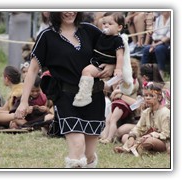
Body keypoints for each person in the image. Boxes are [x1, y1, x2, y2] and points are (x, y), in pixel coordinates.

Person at [15, 12, 115, 168]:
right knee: (77, 146)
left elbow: (114, 47)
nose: (70, 11)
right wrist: (23, 102)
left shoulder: (89, 30)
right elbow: (33, 70)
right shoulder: (46, 36)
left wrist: (112, 65)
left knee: (89, 156)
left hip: (94, 96)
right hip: (66, 98)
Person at [73, 12, 133, 107]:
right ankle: (89, 93)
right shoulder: (101, 36)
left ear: (119, 27)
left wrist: (118, 68)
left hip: (103, 63)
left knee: (86, 71)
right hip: (97, 61)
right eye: (104, 23)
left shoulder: (117, 40)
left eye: (110, 24)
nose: (106, 26)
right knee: (104, 83)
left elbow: (120, 55)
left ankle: (84, 95)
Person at [114, 82, 170, 156]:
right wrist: (132, 136)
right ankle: (136, 148)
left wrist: (151, 135)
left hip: (161, 141)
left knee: (150, 141)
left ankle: (132, 148)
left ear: (159, 98)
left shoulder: (165, 112)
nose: (147, 98)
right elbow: (138, 127)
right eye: (146, 95)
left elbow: (166, 134)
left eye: (151, 95)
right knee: (125, 137)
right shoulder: (146, 112)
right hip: (144, 138)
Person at [99, 58, 142, 144]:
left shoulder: (133, 82)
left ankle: (109, 138)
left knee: (113, 120)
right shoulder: (120, 78)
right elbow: (107, 84)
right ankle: (104, 136)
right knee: (108, 120)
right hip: (117, 102)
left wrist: (117, 92)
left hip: (123, 105)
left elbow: (129, 92)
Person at [141, 11, 170, 79]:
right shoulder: (158, 19)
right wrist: (153, 45)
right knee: (146, 49)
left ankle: (161, 75)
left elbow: (168, 37)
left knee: (159, 49)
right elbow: (155, 34)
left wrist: (155, 45)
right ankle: (143, 73)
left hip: (168, 44)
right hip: (157, 42)